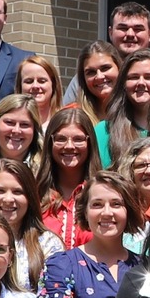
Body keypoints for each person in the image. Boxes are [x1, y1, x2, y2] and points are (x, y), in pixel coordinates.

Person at [0, 157, 63, 291]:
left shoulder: (48, 244)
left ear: (30, 198)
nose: (8, 199)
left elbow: (55, 296)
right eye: (0, 191)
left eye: (18, 192)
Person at [63, 2, 150, 105]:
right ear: (110, 32)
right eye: (123, 28)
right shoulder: (84, 81)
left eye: (138, 29)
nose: (130, 34)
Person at [41, 106, 99, 247]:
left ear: (89, 142)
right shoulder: (35, 194)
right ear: (50, 142)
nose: (69, 146)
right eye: (60, 139)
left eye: (78, 139)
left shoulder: (103, 193)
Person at [98, 51, 150, 164]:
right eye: (133, 77)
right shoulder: (104, 131)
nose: (141, 83)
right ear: (123, 84)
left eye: (149, 77)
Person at [70, 40, 125, 133]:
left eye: (105, 68)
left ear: (119, 68)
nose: (99, 76)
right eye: (91, 72)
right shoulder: (73, 115)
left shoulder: (136, 112)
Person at [0, 93, 44, 172]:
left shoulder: (46, 170)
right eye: (9, 122)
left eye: (24, 124)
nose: (16, 130)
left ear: (35, 130)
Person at [18, 53, 63, 128]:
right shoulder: (11, 122)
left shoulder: (65, 122)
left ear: (53, 84)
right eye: (29, 81)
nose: (35, 86)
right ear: (20, 86)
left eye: (42, 81)